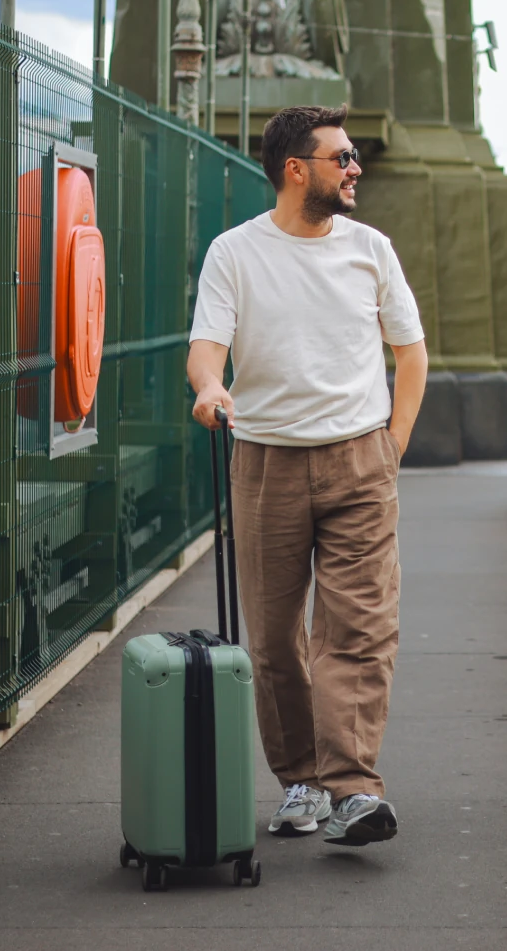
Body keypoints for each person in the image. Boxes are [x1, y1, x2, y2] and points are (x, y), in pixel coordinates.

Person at [186, 105, 429, 847]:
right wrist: (209, 387)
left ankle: (353, 787)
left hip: (360, 460)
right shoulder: (234, 252)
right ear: (298, 170)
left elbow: (411, 354)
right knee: (275, 639)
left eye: (353, 157)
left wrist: (390, 447)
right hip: (264, 463)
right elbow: (206, 347)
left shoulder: (371, 249)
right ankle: (301, 780)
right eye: (342, 158)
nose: (355, 168)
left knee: (358, 629)